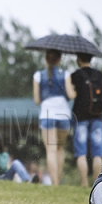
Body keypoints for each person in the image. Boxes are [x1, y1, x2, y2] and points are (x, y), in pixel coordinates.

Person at [33, 49, 72, 186]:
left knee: (51, 150)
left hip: (47, 114)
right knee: (60, 149)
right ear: (59, 60)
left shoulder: (38, 76)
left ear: (45, 59)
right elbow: (71, 94)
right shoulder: (65, 74)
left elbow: (37, 100)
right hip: (63, 114)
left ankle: (54, 182)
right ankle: (58, 181)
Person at [67, 53, 102, 187]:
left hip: (80, 118)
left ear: (78, 59)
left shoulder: (76, 75)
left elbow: (70, 94)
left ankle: (84, 183)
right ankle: (97, 184)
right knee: (97, 153)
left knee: (81, 153)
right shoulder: (99, 75)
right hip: (97, 117)